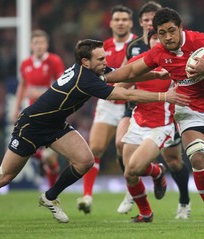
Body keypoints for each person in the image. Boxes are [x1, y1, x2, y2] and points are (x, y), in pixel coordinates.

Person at [0, 39, 189, 230]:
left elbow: (122, 74)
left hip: (55, 124)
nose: (105, 62)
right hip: (31, 126)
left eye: (104, 57)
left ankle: (49, 197)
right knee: (4, 176)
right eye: (101, 59)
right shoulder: (85, 80)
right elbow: (125, 94)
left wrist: (156, 76)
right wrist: (162, 96)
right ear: (86, 61)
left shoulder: (90, 69)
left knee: (85, 160)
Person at [105, 7, 204, 227]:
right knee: (196, 157)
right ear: (157, 34)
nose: (168, 37)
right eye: (162, 33)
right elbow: (131, 72)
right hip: (188, 109)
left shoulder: (200, 40)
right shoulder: (159, 52)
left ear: (181, 28)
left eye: (172, 31)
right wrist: (102, 77)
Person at [117, 2, 191, 219]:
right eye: (155, 37)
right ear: (149, 42)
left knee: (143, 166)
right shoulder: (138, 62)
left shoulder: (175, 63)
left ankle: (173, 189)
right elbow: (120, 89)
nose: (160, 41)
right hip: (138, 121)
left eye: (162, 37)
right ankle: (146, 213)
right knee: (129, 172)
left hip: (162, 125)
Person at [76, 5, 137, 214]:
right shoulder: (102, 47)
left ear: (130, 23)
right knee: (95, 148)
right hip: (107, 102)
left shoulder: (137, 45)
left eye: (124, 19)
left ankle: (132, 192)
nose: (120, 22)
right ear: (110, 23)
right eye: (117, 19)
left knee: (123, 147)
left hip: (130, 103)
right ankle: (87, 196)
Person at [12, 29, 65, 188]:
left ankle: (52, 191)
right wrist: (16, 107)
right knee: (24, 146)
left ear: (47, 45)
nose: (39, 46)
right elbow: (23, 85)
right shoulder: (25, 64)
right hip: (32, 112)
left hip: (51, 112)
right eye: (36, 43)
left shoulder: (54, 61)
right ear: (31, 46)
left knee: (50, 158)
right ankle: (47, 162)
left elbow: (62, 84)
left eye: (42, 43)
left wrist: (40, 92)